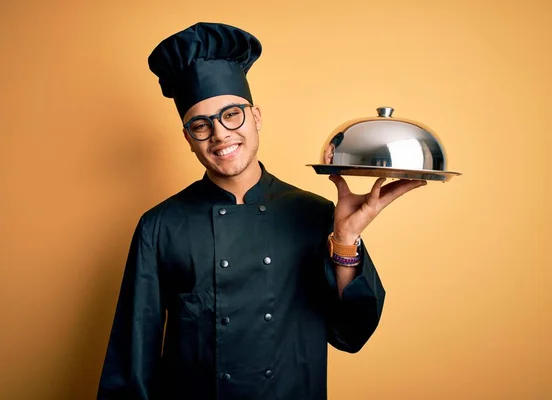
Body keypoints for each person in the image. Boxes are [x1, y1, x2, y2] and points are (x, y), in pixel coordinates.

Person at [96, 22, 426, 400]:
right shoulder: (159, 226)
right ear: (189, 139)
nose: (220, 134)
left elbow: (352, 334)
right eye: (200, 125)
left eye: (231, 114)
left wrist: (346, 241)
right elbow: (131, 361)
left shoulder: (316, 215)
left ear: (255, 117)